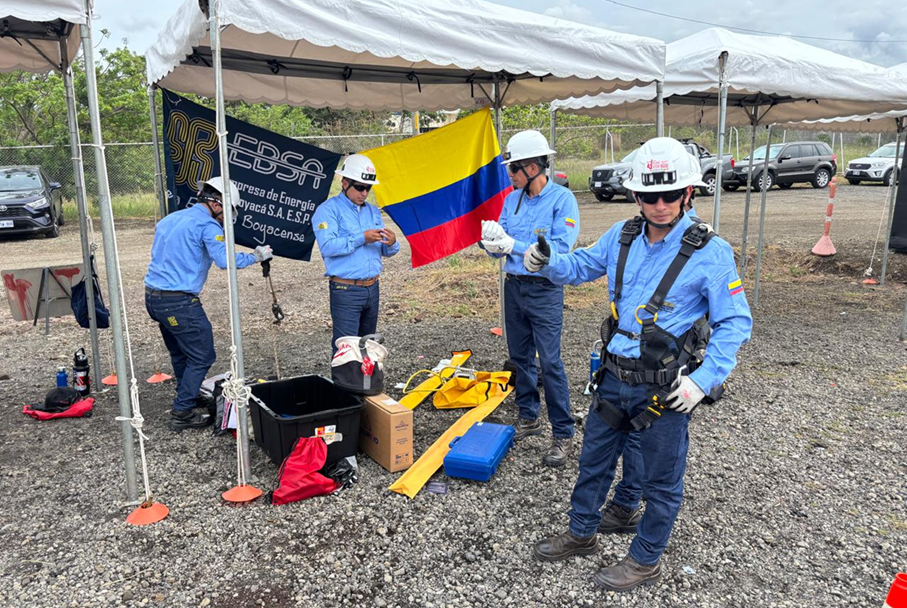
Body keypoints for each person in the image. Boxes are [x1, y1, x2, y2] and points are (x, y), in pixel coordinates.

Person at [525, 137, 753, 591]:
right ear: (637, 196)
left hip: (667, 389)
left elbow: (735, 322)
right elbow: (580, 266)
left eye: (671, 195)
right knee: (593, 462)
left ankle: (646, 559)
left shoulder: (712, 252)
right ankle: (582, 532)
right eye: (651, 196)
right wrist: (547, 261)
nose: (661, 205)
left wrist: (704, 380)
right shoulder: (622, 236)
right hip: (613, 377)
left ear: (688, 192)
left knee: (661, 481)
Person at [479, 130, 580, 468]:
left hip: (544, 290)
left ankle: (563, 433)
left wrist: (512, 245)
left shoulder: (562, 201)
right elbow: (501, 244)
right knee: (520, 357)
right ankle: (529, 415)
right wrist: (492, 244)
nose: (509, 175)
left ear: (534, 167)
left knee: (550, 362)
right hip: (515, 287)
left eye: (514, 169)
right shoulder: (512, 199)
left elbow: (559, 249)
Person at [144, 176, 272, 432]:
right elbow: (226, 260)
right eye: (228, 210)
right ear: (216, 204)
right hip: (179, 302)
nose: (227, 217)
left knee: (182, 352)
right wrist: (256, 257)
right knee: (203, 355)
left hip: (154, 298)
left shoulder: (170, 220)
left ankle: (188, 396)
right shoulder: (208, 226)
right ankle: (181, 413)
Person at [312, 154, 399, 355]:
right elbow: (328, 246)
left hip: (372, 287)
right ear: (344, 183)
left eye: (368, 188)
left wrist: (392, 243)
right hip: (346, 289)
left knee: (367, 346)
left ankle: (363, 386)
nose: (364, 193)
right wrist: (362, 238)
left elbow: (384, 250)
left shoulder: (373, 211)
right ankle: (344, 387)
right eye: (359, 187)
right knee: (346, 351)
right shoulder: (328, 211)